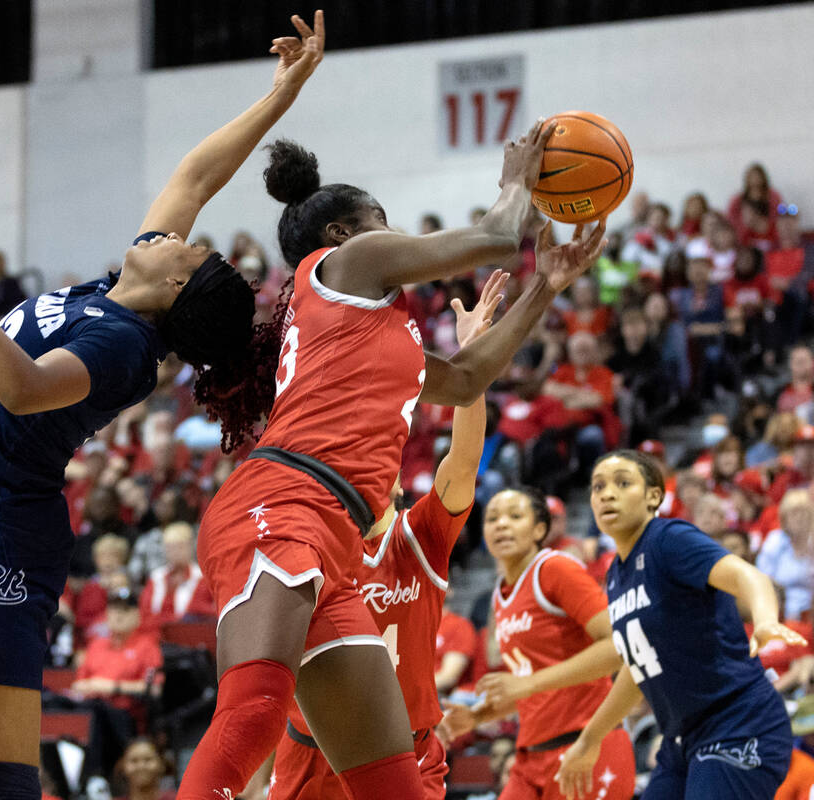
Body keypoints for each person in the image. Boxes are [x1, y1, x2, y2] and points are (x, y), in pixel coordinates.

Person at [0, 14, 327, 800]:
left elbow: (20, 385)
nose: (166, 233)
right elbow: (195, 175)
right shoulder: (120, 292)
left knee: (2, 779)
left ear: (176, 285)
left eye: (182, 247)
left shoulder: (124, 348)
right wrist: (280, 94)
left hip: (3, 533)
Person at [178, 118, 608, 798]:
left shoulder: (377, 329)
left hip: (334, 534)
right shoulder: (345, 267)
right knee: (255, 710)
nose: (396, 236)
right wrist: (516, 182)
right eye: (383, 222)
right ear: (344, 235)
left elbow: (466, 380)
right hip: (282, 502)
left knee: (393, 786)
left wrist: (545, 287)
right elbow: (496, 238)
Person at [268, 278, 502, 800]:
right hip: (313, 748)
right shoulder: (312, 544)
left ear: (395, 478)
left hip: (407, 747)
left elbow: (463, 462)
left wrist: (472, 360)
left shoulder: (421, 536)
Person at [555, 450, 807, 799]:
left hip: (738, 723)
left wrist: (764, 619)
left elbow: (748, 575)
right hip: (682, 740)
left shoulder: (668, 539)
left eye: (622, 483)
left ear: (654, 496)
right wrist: (589, 739)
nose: (607, 494)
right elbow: (639, 666)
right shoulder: (616, 575)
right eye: (598, 487)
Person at [441, 486, 635, 800]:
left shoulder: (555, 569)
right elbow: (535, 684)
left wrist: (528, 684)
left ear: (540, 529)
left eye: (515, 516)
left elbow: (617, 645)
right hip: (531, 757)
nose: (501, 524)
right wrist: (477, 716)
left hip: (585, 747)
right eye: (492, 518)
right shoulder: (500, 594)